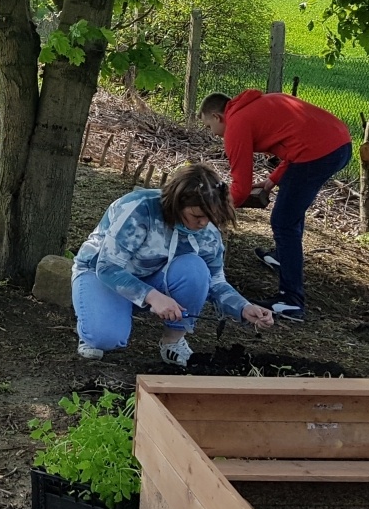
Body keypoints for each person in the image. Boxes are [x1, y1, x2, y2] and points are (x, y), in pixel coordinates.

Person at [71, 163, 274, 368]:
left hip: (152, 274)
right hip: (100, 273)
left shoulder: (208, 231)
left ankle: (173, 341)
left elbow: (215, 280)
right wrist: (153, 296)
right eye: (197, 216)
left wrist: (243, 307)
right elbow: (107, 267)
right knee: (104, 338)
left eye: (210, 217)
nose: (204, 223)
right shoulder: (139, 209)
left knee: (195, 268)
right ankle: (92, 315)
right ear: (178, 203)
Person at [201, 89, 354, 322]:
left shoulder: (236, 124)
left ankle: (291, 300)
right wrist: (273, 180)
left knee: (283, 222)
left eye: (209, 126)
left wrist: (213, 212)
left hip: (319, 153)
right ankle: (285, 257)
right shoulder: (256, 105)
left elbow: (240, 189)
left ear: (217, 116)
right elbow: (295, 143)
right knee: (291, 213)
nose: (213, 134)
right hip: (339, 143)